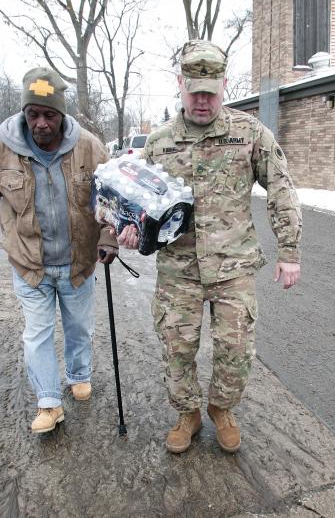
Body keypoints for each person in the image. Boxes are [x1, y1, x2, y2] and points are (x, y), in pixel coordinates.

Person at [117, 40, 302, 453]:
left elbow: (281, 189)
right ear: (180, 84)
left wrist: (289, 251)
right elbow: (137, 204)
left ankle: (221, 408)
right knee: (176, 349)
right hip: (178, 270)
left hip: (233, 267)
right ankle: (188, 414)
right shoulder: (159, 143)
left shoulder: (249, 133)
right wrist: (129, 229)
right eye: (194, 91)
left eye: (211, 93)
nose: (202, 101)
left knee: (236, 349)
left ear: (224, 86)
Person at [0, 67, 118, 434]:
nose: (41, 123)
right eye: (33, 114)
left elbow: (110, 193)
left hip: (77, 262)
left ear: (61, 115)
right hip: (29, 263)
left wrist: (109, 234)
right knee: (37, 333)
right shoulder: (3, 149)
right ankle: (48, 402)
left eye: (49, 114)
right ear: (24, 114)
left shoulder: (88, 147)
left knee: (78, 327)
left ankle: (79, 374)